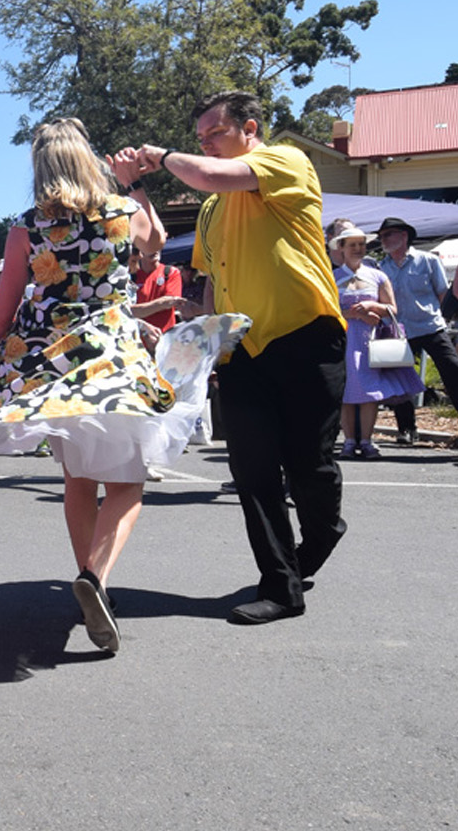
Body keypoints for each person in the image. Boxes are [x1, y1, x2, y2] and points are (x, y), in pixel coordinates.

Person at [0, 119, 245, 652]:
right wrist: (131, 183)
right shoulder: (120, 213)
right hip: (112, 357)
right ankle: (95, 578)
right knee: (129, 481)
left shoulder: (25, 227)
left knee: (78, 475)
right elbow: (158, 240)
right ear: (86, 161)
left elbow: (4, 304)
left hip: (52, 362)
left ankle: (89, 575)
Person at [112, 90, 347, 625]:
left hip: (306, 335)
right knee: (253, 470)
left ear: (250, 129)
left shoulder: (285, 160)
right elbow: (213, 281)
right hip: (242, 350)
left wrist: (162, 154)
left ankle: (325, 528)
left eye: (214, 134)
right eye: (200, 140)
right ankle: (282, 588)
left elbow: (208, 175)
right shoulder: (213, 210)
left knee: (309, 465)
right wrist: (203, 344)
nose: (207, 146)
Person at [332, 227, 423, 458]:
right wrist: (354, 314)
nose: (358, 249)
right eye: (352, 245)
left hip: (370, 342)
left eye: (361, 244)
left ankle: (367, 440)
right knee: (347, 392)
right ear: (341, 248)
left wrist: (373, 307)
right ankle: (350, 441)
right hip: (343, 339)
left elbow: (392, 308)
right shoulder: (333, 277)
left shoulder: (378, 276)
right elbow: (325, 310)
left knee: (369, 392)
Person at [374, 216, 458, 446]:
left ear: (404, 236)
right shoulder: (381, 268)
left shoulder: (429, 260)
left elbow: (443, 293)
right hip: (399, 331)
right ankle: (407, 430)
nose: (383, 240)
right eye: (381, 236)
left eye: (387, 235)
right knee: (400, 380)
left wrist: (446, 319)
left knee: (452, 370)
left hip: (431, 326)